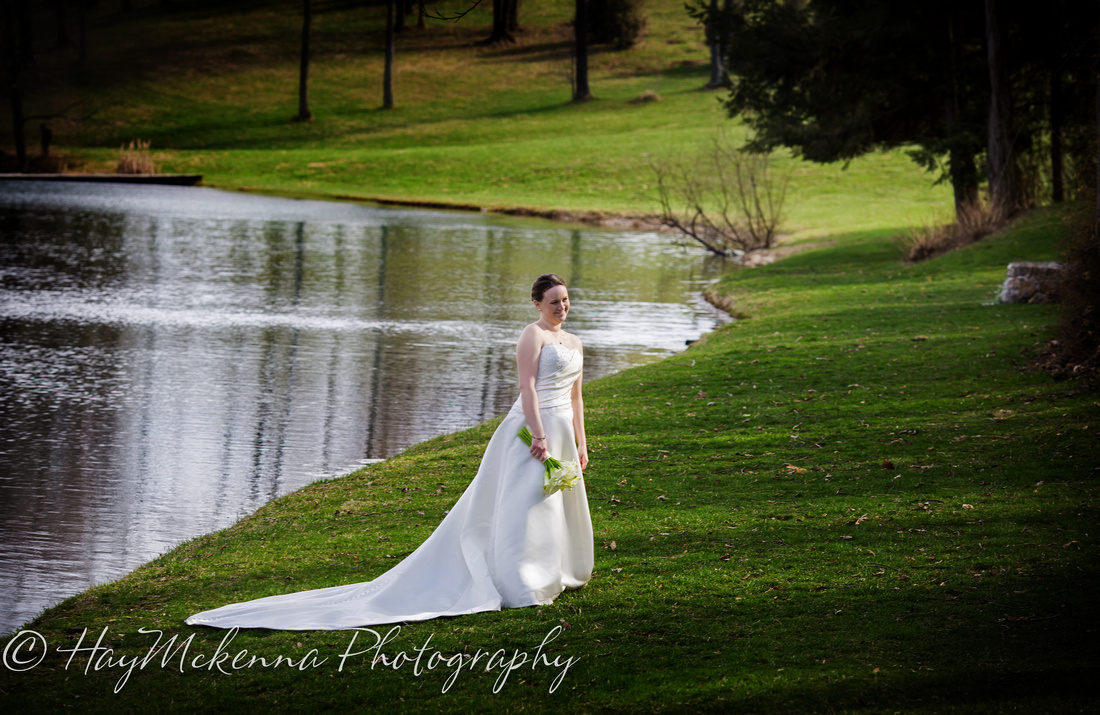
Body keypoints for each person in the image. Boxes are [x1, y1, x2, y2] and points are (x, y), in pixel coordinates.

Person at [185, 273, 593, 630]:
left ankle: (554, 570)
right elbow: (526, 388)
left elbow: (576, 397)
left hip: (561, 433)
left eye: (565, 300)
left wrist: (581, 440)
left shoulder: (573, 341)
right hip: (529, 431)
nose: (562, 307)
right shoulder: (532, 335)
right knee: (523, 503)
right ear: (538, 303)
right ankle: (521, 582)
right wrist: (538, 435)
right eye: (554, 301)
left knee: (551, 503)